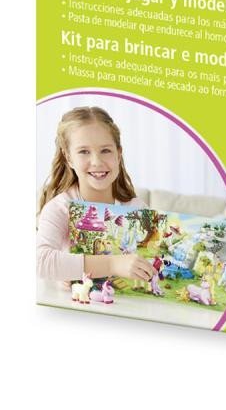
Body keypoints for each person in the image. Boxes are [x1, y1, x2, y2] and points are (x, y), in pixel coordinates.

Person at [37, 106, 155, 285]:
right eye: (84, 151)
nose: (97, 162)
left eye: (105, 150)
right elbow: (40, 261)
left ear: (118, 154)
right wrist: (112, 264)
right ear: (69, 158)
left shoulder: (137, 209)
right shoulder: (61, 208)